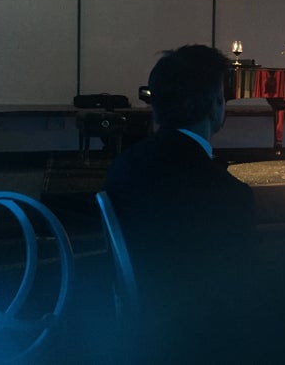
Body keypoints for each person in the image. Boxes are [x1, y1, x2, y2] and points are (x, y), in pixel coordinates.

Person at [105, 44, 257, 363]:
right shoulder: (228, 195)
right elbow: (238, 294)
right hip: (196, 342)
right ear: (215, 104)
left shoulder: (125, 165)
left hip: (140, 332)